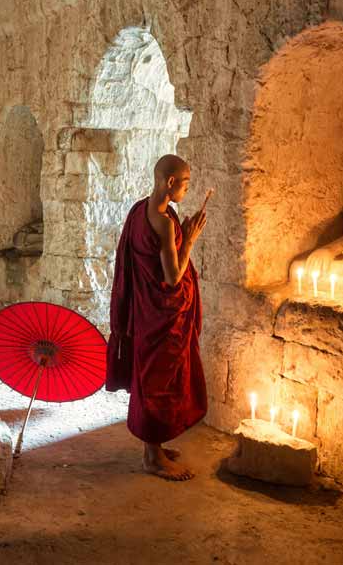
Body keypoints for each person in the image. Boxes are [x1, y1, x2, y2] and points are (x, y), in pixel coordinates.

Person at [106, 154, 210, 481]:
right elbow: (173, 276)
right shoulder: (164, 222)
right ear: (169, 183)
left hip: (148, 311)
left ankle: (156, 447)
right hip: (163, 315)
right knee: (159, 381)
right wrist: (190, 238)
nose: (187, 189)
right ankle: (153, 458)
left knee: (153, 375)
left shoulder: (140, 209)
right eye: (185, 183)